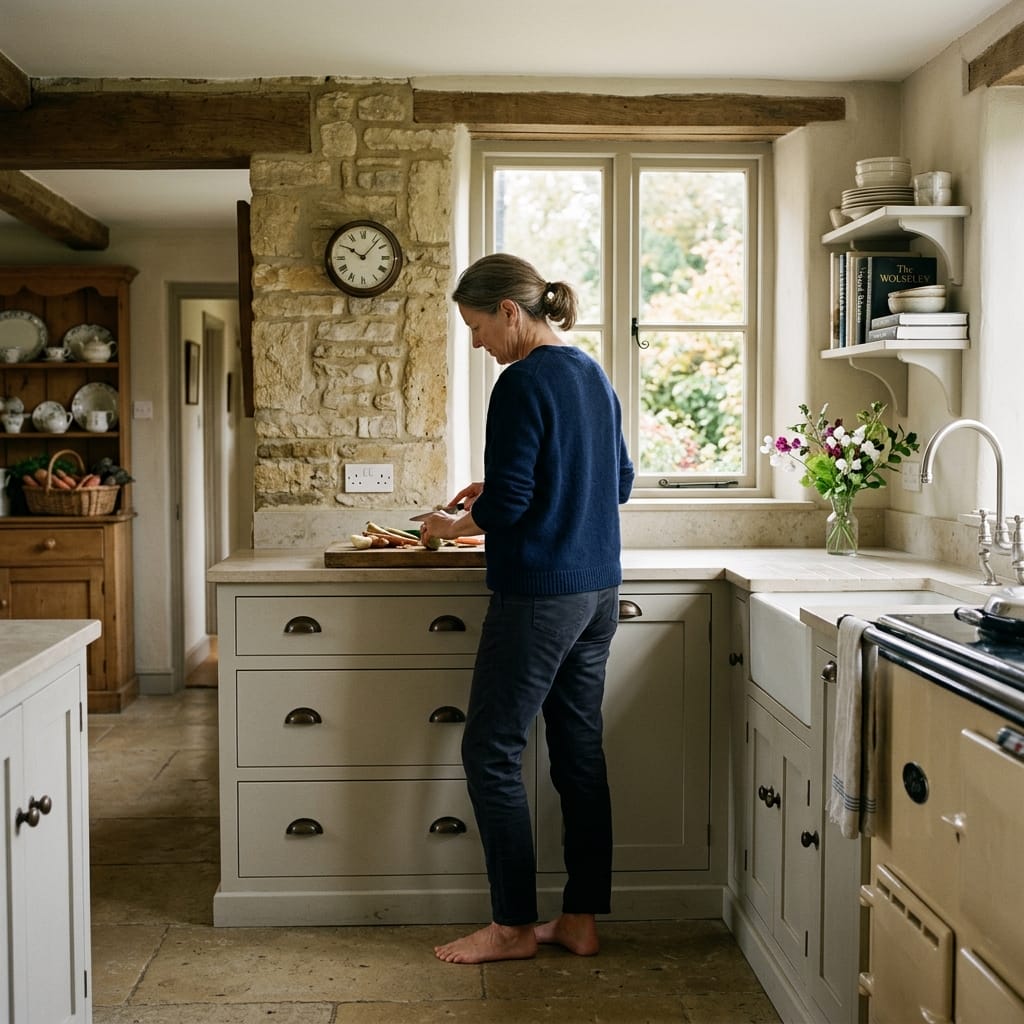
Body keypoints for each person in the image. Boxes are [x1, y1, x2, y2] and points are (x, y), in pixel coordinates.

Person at [419, 253, 634, 965]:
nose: (479, 344)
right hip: (598, 591)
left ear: (510, 312)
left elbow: (511, 507)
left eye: (478, 328)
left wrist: (451, 526)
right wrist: (502, 485)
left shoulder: (522, 382)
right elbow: (619, 482)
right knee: (579, 756)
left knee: (491, 752)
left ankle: (512, 927)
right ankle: (578, 920)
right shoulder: (592, 373)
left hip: (540, 594)